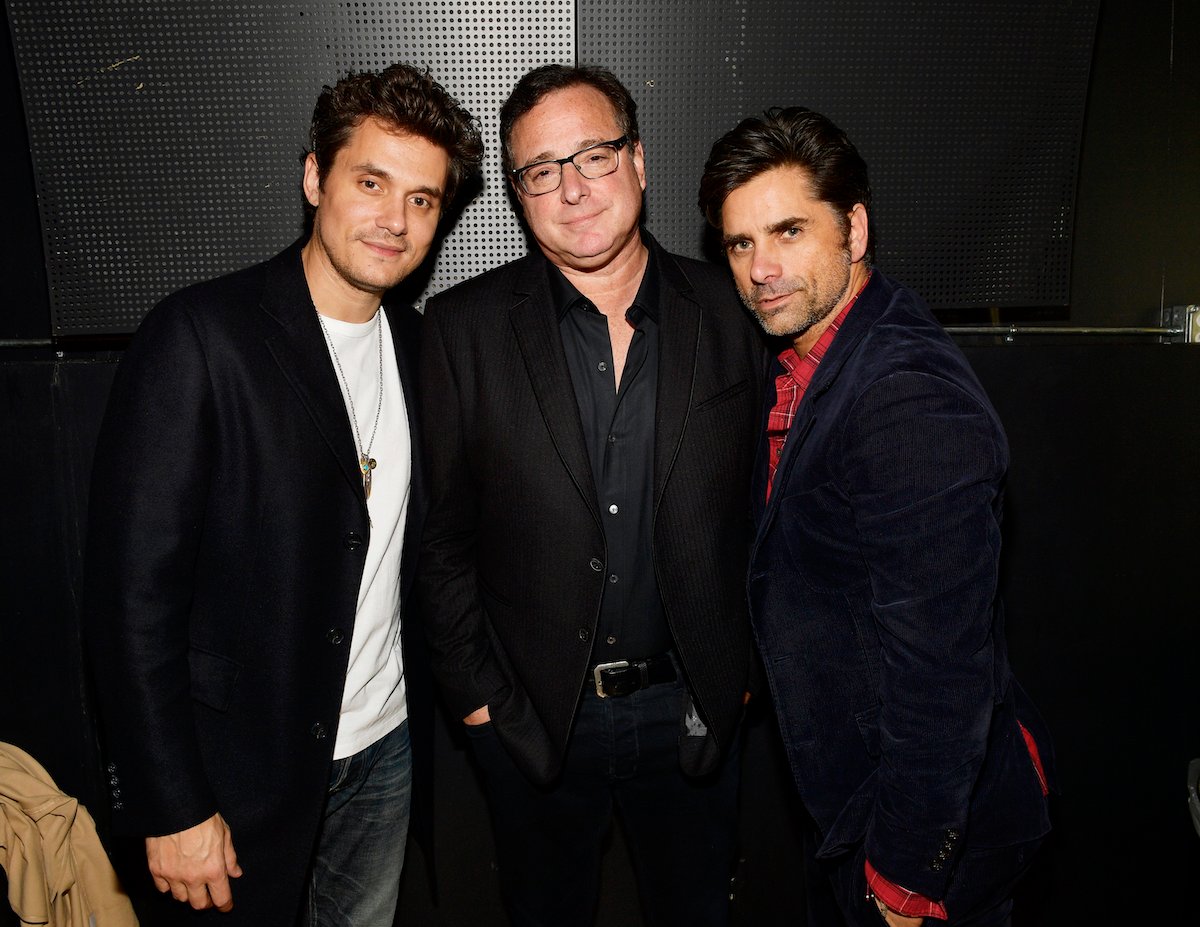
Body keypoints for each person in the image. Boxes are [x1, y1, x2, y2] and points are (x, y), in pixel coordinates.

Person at [83, 63, 482, 925]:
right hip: (232, 777)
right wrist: (170, 802)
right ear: (314, 177)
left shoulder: (422, 347)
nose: (395, 220)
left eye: (423, 199)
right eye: (371, 182)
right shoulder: (198, 336)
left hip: (385, 752)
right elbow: (129, 601)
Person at [418, 64, 763, 927]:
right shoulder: (460, 331)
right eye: (541, 170)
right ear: (517, 194)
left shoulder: (733, 308)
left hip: (696, 717)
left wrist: (742, 669)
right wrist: (480, 703)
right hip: (533, 726)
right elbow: (436, 543)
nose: (572, 189)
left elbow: (769, 508)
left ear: (640, 160)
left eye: (595, 156)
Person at [697, 107, 1056, 927]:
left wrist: (903, 873)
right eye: (741, 243)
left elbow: (943, 670)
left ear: (853, 228)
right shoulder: (812, 356)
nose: (761, 268)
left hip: (919, 837)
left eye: (788, 231)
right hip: (856, 802)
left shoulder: (906, 397)